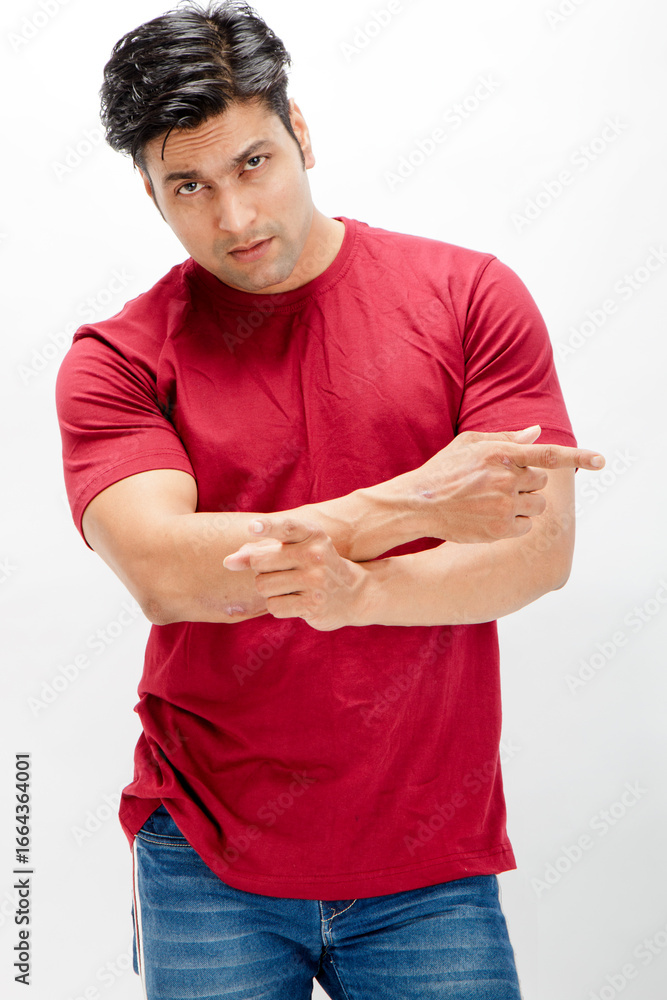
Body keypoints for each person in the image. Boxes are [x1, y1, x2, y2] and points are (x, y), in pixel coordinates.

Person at [55, 2, 605, 997]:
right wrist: (411, 503)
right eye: (189, 185)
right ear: (151, 194)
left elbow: (537, 548)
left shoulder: (469, 297)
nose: (234, 216)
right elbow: (164, 570)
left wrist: (355, 593)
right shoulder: (118, 359)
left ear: (299, 131)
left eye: (253, 163)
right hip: (206, 856)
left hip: (428, 860)